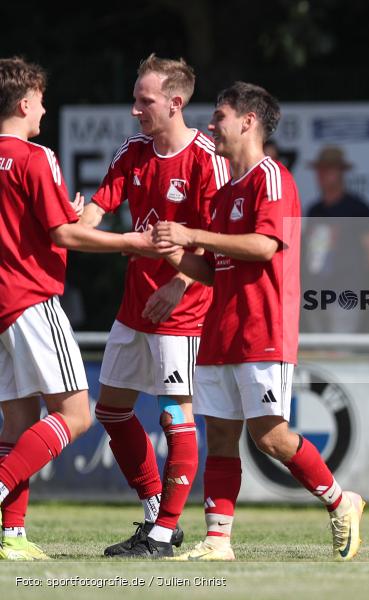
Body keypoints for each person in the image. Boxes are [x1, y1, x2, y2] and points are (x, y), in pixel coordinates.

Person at [153, 82, 364, 561]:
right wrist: (175, 255)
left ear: (248, 121)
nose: (212, 125)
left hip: (261, 330)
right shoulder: (226, 192)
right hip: (221, 330)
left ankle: (340, 500)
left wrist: (191, 232)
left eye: (220, 116)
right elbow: (212, 270)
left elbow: (265, 246)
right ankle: (218, 541)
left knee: (268, 434)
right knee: (222, 436)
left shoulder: (272, 177)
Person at [0, 56, 167, 560]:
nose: (45, 111)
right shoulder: (36, 157)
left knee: (17, 424)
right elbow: (63, 233)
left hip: (2, 305)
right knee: (76, 414)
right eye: (42, 101)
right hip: (32, 299)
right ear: (26, 101)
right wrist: (130, 243)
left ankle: (11, 536)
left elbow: (34, 225)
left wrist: (64, 218)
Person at [78, 54, 230, 558]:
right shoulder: (134, 151)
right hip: (134, 305)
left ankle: (165, 530)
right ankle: (153, 511)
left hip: (182, 310)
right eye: (136, 99)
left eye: (144, 101)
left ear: (174, 102)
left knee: (173, 413)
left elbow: (220, 240)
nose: (135, 110)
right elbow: (99, 207)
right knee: (112, 410)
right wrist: (77, 217)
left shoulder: (208, 157)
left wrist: (181, 282)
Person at [303, 145, 369, 333]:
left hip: (346, 291)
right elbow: (310, 250)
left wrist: (354, 279)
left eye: (329, 170)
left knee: (341, 351)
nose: (323, 175)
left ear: (341, 172)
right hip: (317, 292)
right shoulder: (315, 209)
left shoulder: (357, 208)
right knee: (320, 351)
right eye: (320, 171)